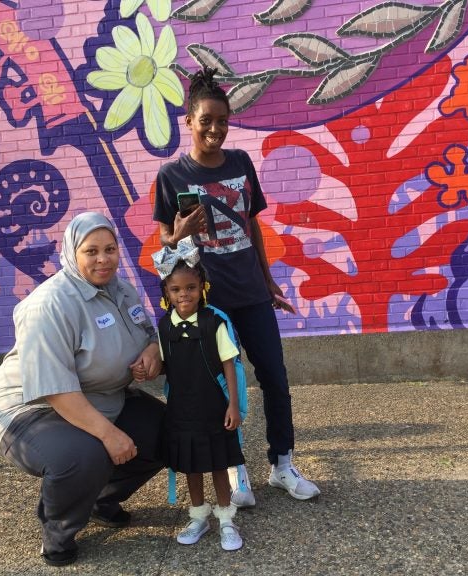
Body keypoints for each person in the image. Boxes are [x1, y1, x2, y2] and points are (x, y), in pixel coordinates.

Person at [153, 66, 321, 505]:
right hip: (207, 305)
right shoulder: (171, 177)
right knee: (222, 388)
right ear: (188, 122)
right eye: (205, 120)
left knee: (274, 379)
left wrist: (268, 282)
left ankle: (282, 465)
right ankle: (236, 472)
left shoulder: (242, 164)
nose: (215, 129)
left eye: (223, 121)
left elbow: (253, 227)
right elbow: (164, 248)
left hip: (250, 295)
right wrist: (179, 232)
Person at [0, 212, 165, 567]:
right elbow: (56, 389)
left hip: (101, 398)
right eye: (91, 251)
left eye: (110, 249)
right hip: (31, 408)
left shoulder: (120, 289)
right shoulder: (49, 304)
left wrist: (152, 352)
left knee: (169, 432)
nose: (103, 259)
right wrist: (109, 435)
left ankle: (96, 500)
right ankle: (58, 532)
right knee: (84, 455)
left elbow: (148, 333)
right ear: (71, 252)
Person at [151, 239, 244, 551]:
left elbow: (229, 364)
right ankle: (199, 517)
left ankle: (227, 521)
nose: (184, 295)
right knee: (190, 466)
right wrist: (145, 370)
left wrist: (233, 404)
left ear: (202, 287)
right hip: (181, 409)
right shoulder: (164, 327)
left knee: (218, 464)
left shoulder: (213, 323)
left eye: (190, 287)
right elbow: (166, 365)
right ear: (167, 292)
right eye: (176, 290)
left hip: (213, 408)